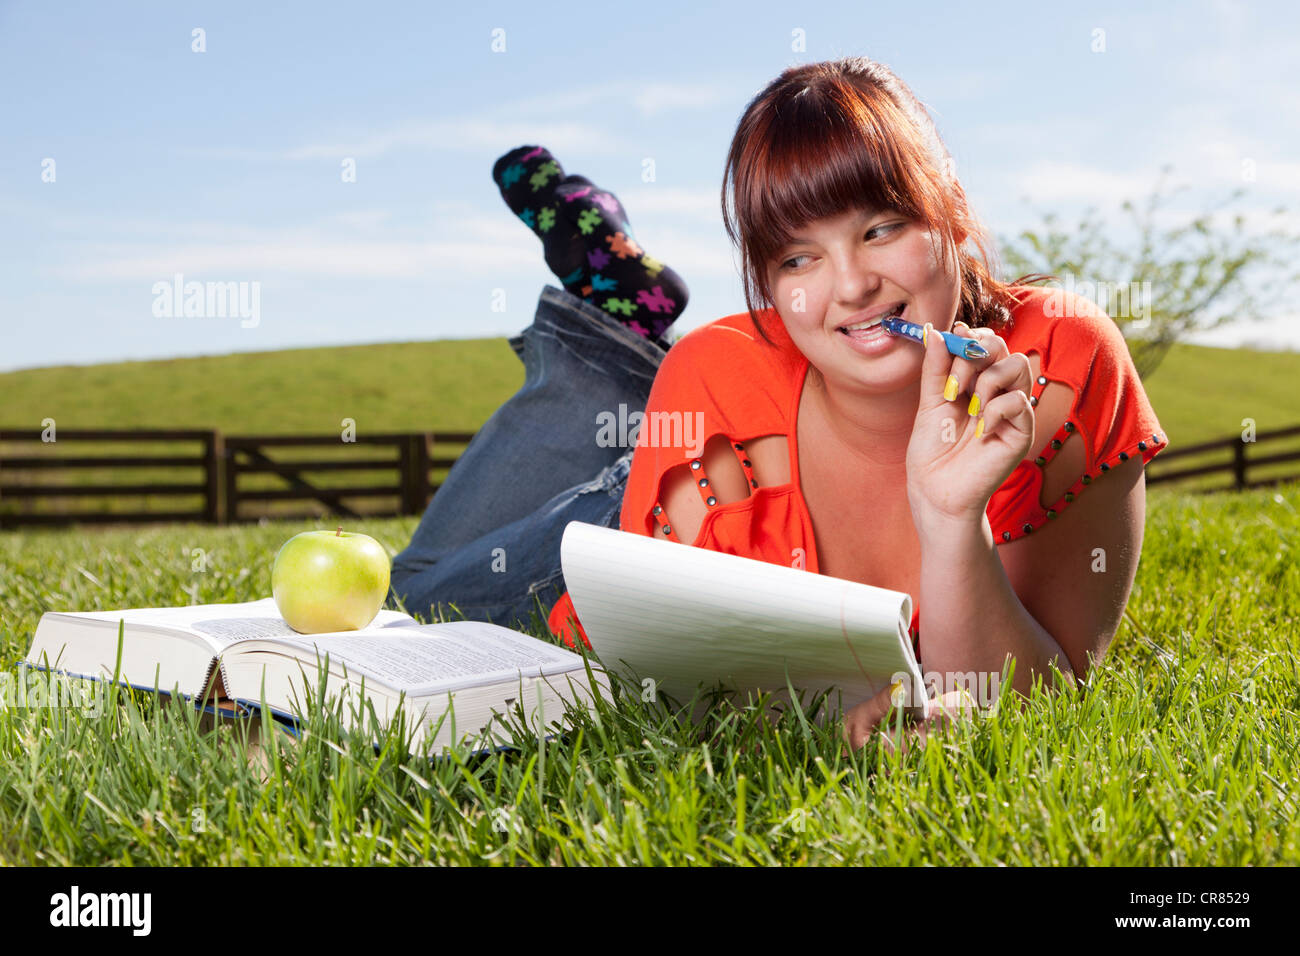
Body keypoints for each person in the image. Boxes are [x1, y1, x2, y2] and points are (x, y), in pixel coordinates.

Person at [390, 58, 1170, 755]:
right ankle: (609, 331)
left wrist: (950, 516)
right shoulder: (716, 372)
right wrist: (801, 722)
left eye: (882, 228)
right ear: (768, 284)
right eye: (799, 257)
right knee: (413, 597)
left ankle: (612, 331)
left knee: (422, 575)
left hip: (720, 454)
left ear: (952, 216)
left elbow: (1033, 705)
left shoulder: (1062, 363)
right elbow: (664, 682)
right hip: (692, 486)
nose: (852, 285)